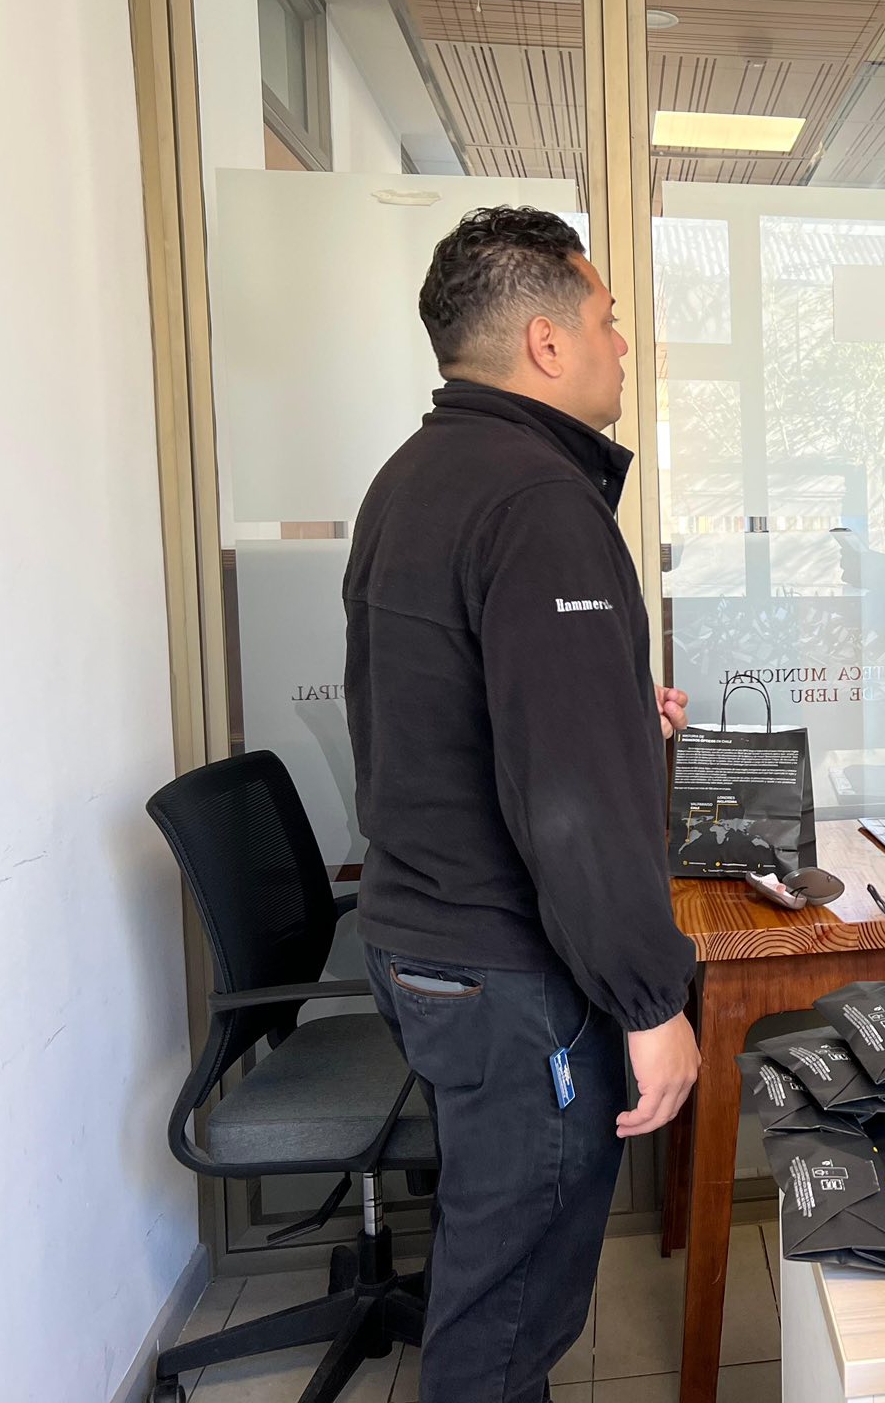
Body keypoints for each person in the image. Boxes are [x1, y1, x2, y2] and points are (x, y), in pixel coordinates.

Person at [344, 206, 700, 1403]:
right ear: (547, 343)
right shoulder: (538, 499)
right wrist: (650, 1002)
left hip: (421, 941)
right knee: (506, 1313)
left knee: (492, 1268)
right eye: (607, 319)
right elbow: (568, 802)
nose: (621, 344)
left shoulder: (413, 476)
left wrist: (611, 709)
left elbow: (452, 714)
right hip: (506, 971)